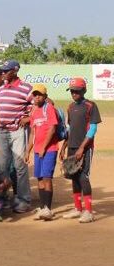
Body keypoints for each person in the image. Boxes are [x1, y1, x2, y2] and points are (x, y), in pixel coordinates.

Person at [0, 60, 33, 213]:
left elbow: (37, 106)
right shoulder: (2, 89)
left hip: (17, 131)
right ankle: (4, 198)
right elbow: (0, 113)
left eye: (6, 71)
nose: (3, 73)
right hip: (2, 131)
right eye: (2, 71)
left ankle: (24, 200)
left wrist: (27, 118)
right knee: (2, 168)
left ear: (15, 71)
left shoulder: (26, 88)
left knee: (20, 166)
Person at [60, 77, 100, 223]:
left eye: (77, 91)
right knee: (74, 176)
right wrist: (64, 147)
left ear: (84, 90)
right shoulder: (70, 107)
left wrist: (82, 148)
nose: (74, 94)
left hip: (85, 147)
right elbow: (70, 128)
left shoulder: (91, 106)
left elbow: (93, 129)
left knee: (83, 177)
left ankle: (88, 212)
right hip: (72, 146)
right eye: (72, 91)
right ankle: (77, 209)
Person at [26, 84, 60, 220]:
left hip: (49, 150)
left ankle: (48, 209)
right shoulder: (34, 111)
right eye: (35, 95)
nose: (37, 97)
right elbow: (32, 132)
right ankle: (42, 207)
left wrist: (44, 148)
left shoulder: (49, 108)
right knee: (39, 178)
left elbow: (52, 129)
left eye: (39, 95)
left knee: (47, 178)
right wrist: (27, 151)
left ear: (45, 96)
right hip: (37, 150)